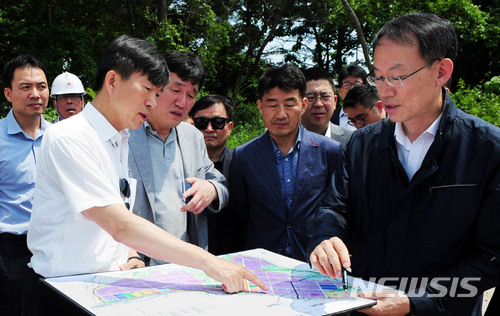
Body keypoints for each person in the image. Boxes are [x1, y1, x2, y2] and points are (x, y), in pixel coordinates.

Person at [25, 35, 267, 314]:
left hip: (106, 288)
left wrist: (128, 254)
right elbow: (121, 224)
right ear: (113, 81)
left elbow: (108, 221)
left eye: (157, 93)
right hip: (63, 292)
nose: (153, 102)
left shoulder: (119, 139)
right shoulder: (70, 138)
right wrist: (211, 263)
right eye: (149, 90)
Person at [307, 13, 499, 316]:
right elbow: (335, 207)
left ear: (441, 72)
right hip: (365, 305)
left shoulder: (488, 150)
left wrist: (418, 302)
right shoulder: (362, 144)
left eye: (397, 76)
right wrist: (326, 238)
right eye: (378, 76)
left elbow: (491, 256)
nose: (384, 91)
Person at [230, 64, 344, 262]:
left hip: (314, 262)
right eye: (272, 105)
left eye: (290, 104)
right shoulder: (243, 156)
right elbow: (241, 214)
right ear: (260, 107)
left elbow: (335, 208)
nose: (281, 114)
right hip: (262, 262)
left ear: (303, 105)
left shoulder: (330, 151)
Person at [128, 52, 228, 264]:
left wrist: (211, 188)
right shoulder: (125, 133)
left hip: (186, 265)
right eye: (175, 90)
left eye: (191, 95)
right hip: (136, 263)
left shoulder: (192, 136)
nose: (182, 102)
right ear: (156, 86)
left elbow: (220, 183)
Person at [0, 55, 50, 315]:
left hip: (54, 247)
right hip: (11, 252)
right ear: (8, 93)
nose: (35, 94)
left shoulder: (59, 138)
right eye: (25, 87)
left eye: (41, 86)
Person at [189, 94, 244, 255]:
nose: (209, 129)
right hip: (192, 259)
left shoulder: (243, 165)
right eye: (201, 123)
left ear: (230, 127)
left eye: (218, 123)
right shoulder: (179, 166)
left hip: (236, 256)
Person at [301, 66, 353, 147]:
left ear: (335, 101)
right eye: (311, 97)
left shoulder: (352, 140)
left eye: (325, 97)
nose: (318, 104)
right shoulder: (283, 140)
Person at [331, 64, 368, 130]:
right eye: (347, 84)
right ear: (339, 91)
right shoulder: (329, 120)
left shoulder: (373, 118)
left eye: (357, 84)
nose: (352, 88)